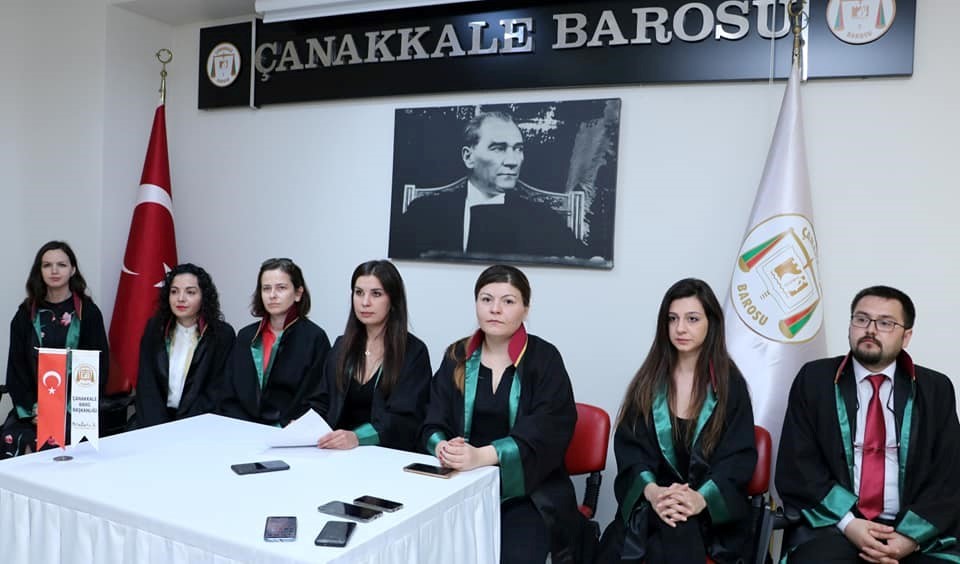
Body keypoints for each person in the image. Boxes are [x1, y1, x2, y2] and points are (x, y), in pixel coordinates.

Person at [777, 286, 960, 563]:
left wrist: (910, 537)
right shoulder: (814, 380)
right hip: (835, 526)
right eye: (861, 319)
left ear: (906, 336)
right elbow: (798, 465)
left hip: (912, 532)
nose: (870, 330)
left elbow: (949, 475)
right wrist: (849, 523)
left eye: (885, 323)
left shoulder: (935, 389)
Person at [419, 264, 586, 563]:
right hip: (459, 483)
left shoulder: (544, 358)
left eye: (508, 301)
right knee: (429, 546)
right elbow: (433, 416)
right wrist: (442, 446)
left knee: (513, 555)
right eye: (486, 299)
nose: (495, 309)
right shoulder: (457, 356)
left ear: (525, 308)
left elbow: (549, 427)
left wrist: (483, 456)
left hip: (529, 491)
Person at [596, 278, 757, 564]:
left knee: (673, 536)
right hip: (652, 504)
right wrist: (654, 492)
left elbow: (736, 460)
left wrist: (699, 498)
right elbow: (632, 453)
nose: (680, 328)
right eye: (673, 319)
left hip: (710, 515)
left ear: (711, 324)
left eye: (692, 319)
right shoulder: (648, 382)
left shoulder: (730, 387)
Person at [390, 111, 586, 261]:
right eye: (499, 148)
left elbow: (582, 263)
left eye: (518, 149)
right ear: (468, 157)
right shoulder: (423, 213)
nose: (513, 161)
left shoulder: (543, 220)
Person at [308, 260, 431, 452]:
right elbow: (322, 401)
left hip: (386, 454)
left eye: (376, 294)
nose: (365, 302)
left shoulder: (414, 352)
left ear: (393, 300)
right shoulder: (341, 345)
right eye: (359, 293)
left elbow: (405, 420)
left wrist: (358, 437)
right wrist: (304, 425)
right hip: (336, 451)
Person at [2, 241, 109, 457]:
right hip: (33, 410)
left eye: (61, 264)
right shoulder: (25, 314)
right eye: (47, 265)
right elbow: (16, 369)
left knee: (54, 443)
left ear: (73, 270)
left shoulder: (88, 313)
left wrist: (63, 410)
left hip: (76, 409)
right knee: (13, 440)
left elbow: (98, 368)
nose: (54, 271)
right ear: (39, 271)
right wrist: (34, 409)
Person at [219, 258, 330, 427]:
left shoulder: (314, 337)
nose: (272, 295)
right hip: (242, 428)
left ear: (298, 293)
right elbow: (228, 392)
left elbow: (318, 395)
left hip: (289, 430)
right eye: (266, 288)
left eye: (281, 288)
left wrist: (296, 424)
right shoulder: (246, 336)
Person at [132, 263, 235, 429]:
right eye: (174, 291)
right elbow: (147, 383)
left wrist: (184, 427)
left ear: (203, 296)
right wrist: (158, 428)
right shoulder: (155, 328)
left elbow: (217, 390)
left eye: (190, 292)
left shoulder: (222, 334)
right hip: (156, 422)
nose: (180, 298)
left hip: (200, 424)